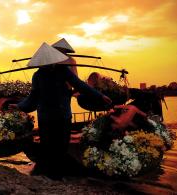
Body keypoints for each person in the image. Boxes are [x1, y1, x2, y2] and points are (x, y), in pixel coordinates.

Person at [9, 42, 111, 179]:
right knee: (48, 146)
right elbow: (33, 98)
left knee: (62, 146)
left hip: (63, 116)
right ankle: (51, 175)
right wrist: (19, 106)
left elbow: (80, 85)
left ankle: (57, 173)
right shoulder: (37, 76)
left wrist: (100, 96)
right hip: (46, 117)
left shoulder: (63, 71)